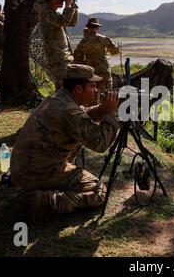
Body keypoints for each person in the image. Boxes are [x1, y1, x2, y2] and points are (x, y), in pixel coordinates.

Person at [10, 64, 120, 224]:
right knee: (98, 191)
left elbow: (82, 116)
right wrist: (110, 114)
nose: (96, 91)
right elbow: (100, 144)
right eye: (92, 86)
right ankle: (47, 203)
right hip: (37, 174)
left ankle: (44, 193)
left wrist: (102, 109)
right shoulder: (69, 110)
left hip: (23, 169)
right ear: (79, 89)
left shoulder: (59, 99)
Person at [37, 0, 78, 91]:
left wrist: (73, 6)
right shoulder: (46, 13)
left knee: (66, 88)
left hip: (62, 57)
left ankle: (64, 106)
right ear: (50, 0)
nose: (62, 0)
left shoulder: (53, 14)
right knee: (63, 89)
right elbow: (64, 21)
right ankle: (61, 107)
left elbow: (72, 23)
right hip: (57, 58)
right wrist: (68, 5)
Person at [74, 18, 119, 93]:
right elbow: (115, 51)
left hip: (91, 73)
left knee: (92, 96)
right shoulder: (103, 39)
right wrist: (107, 52)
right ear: (97, 28)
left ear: (88, 27)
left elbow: (77, 59)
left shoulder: (83, 41)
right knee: (106, 95)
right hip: (104, 72)